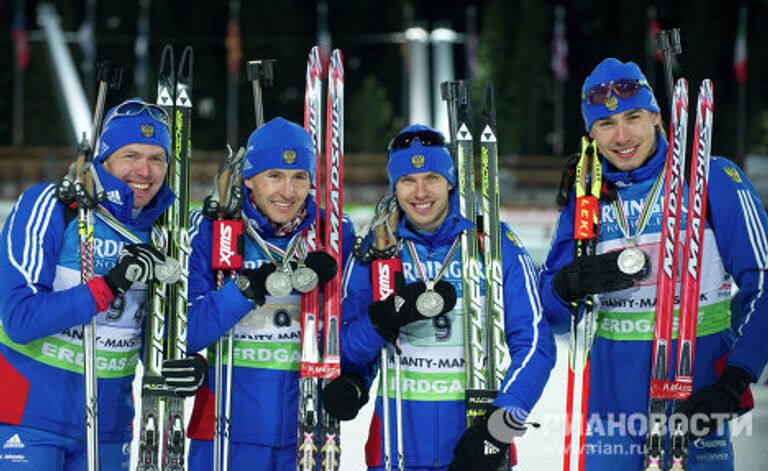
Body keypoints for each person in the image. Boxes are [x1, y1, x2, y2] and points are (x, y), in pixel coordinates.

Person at [539, 58, 768, 469]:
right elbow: (552, 316)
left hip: (694, 406)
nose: (622, 135)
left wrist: (736, 377)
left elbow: (764, 284)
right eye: (605, 124)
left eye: (633, 117)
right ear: (591, 133)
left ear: (657, 118)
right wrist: (565, 286)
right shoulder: (587, 201)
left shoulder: (710, 180)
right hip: (608, 416)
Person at [0, 98, 206, 470]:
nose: (144, 170)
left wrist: (183, 364)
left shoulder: (163, 233)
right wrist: (107, 285)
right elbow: (20, 319)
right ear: (105, 158)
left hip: (109, 427)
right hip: (27, 419)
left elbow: (147, 333)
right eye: (131, 155)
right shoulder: (51, 205)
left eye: (157, 158)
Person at [335, 124, 556, 470]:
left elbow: (535, 345)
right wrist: (382, 320)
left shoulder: (493, 241)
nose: (420, 192)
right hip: (396, 449)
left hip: (478, 445)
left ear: (450, 180)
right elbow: (343, 350)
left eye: (432, 177)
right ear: (394, 185)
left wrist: (499, 428)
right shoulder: (379, 249)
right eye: (408, 180)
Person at [185, 116, 356, 469]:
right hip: (224, 430)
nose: (288, 192)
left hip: (307, 431)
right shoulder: (212, 230)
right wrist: (246, 289)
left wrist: (356, 383)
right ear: (249, 178)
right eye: (274, 176)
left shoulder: (336, 234)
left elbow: (352, 330)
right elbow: (185, 331)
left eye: (299, 177)